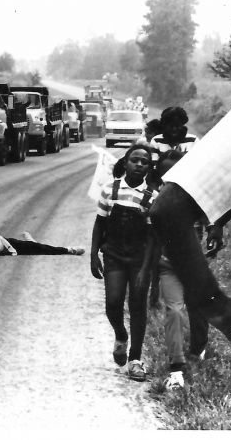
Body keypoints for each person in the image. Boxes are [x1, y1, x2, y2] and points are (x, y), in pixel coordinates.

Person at [150, 93, 231, 429]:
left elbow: (170, 207)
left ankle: (197, 346)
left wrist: (212, 301)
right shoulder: (158, 143)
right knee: (176, 304)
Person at [90, 143, 159, 381]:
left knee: (138, 304)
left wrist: (146, 268)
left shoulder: (152, 196)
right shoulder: (110, 189)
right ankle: (121, 335)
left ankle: (136, 359)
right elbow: (100, 223)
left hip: (140, 257)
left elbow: (152, 236)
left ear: (149, 168)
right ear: (125, 163)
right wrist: (93, 255)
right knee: (113, 301)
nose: (139, 164)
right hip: (114, 255)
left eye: (145, 162)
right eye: (135, 160)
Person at [152, 150, 211, 390]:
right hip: (168, 265)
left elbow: (212, 219)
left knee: (199, 309)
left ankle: (198, 348)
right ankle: (176, 366)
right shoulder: (155, 200)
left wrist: (215, 229)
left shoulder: (196, 199)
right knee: (174, 311)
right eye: (167, 174)